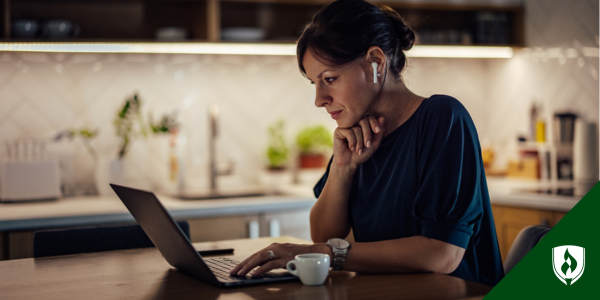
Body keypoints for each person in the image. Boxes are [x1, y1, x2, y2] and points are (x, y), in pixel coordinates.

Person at [230, 0, 504, 286]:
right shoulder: (357, 134)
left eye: (330, 78)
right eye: (315, 83)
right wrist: (342, 169)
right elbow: (322, 234)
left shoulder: (442, 118)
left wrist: (324, 254)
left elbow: (442, 254)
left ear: (375, 62)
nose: (319, 99)